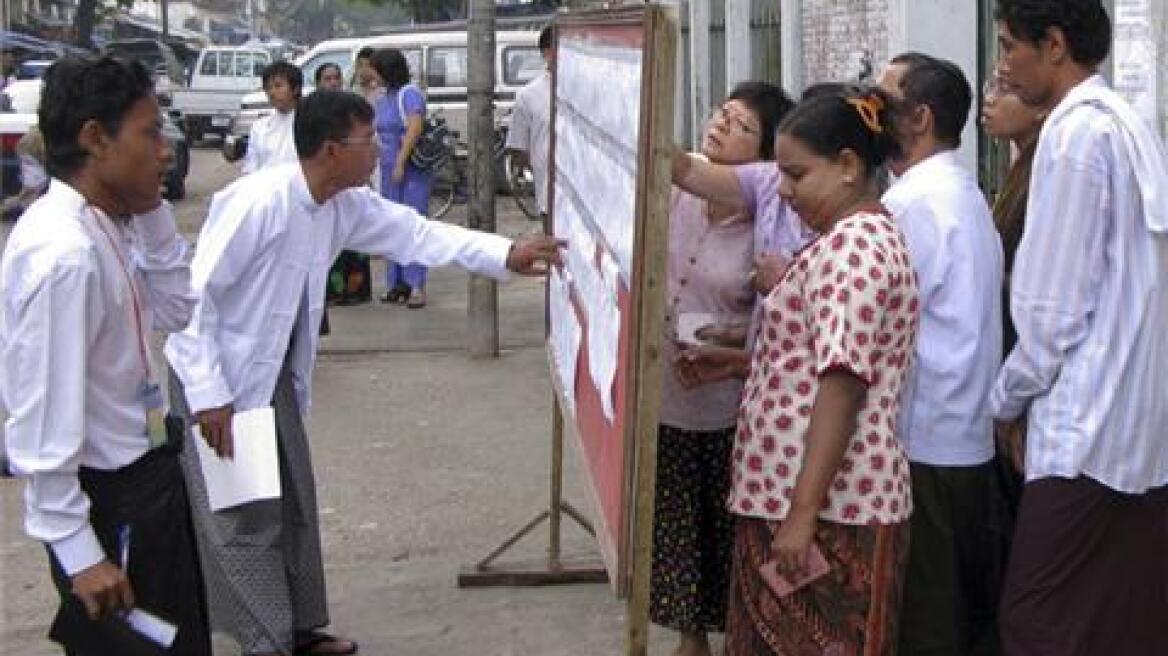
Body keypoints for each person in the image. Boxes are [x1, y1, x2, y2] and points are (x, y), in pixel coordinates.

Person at [164, 89, 563, 656]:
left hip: (269, 378)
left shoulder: (342, 203)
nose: (379, 148)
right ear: (330, 149)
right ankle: (266, 642)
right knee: (243, 520)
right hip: (220, 383)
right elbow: (191, 304)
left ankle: (299, 631)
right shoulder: (257, 202)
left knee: (293, 502)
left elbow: (416, 234)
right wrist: (207, 394)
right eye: (367, 139)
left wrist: (505, 254)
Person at [0, 56, 209, 655]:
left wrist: (154, 213)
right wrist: (78, 550)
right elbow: (39, 419)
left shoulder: (108, 224)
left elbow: (177, 311)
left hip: (146, 479)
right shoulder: (62, 255)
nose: (165, 151)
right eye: (149, 133)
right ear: (96, 139)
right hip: (106, 504)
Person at [992, 1, 1168, 653]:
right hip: (1138, 431)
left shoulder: (1073, 136)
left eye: (1011, 47)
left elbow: (1050, 311)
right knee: (1120, 623)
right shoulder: (1127, 124)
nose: (1004, 67)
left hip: (1086, 428)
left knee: (1037, 620)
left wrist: (1006, 402)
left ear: (1055, 45)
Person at [723, 89, 919, 655]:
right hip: (795, 499)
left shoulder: (856, 250)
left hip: (831, 510)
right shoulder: (840, 242)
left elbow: (843, 380)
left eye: (796, 175)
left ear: (850, 167)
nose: (783, 191)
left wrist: (802, 514)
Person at [652, 81, 794, 656]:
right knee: (676, 519)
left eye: (739, 125)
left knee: (726, 528)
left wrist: (730, 338)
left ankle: (736, 632)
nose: (720, 125)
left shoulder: (770, 224)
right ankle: (690, 640)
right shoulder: (678, 198)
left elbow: (773, 320)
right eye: (721, 113)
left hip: (728, 398)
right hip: (668, 388)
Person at [874, 52, 1005, 656]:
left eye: (883, 101)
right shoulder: (959, 192)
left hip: (928, 437)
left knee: (928, 614)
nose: (869, 113)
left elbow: (881, 325)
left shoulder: (916, 207)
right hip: (959, 433)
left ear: (919, 117)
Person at [369, 48, 433, 308]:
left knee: (413, 225)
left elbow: (414, 127)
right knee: (391, 225)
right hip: (387, 170)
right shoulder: (383, 98)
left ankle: (416, 284)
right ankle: (396, 283)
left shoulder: (410, 94)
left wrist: (400, 161)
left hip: (410, 171)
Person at [319, 62, 372, 308]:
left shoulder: (352, 108)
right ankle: (332, 291)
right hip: (327, 183)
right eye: (327, 78)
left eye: (336, 77)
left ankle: (356, 290)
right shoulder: (314, 113)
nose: (333, 82)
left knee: (353, 234)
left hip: (351, 181)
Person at [505, 25, 555, 221]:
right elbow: (518, 150)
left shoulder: (590, 91)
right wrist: (542, 165)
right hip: (549, 198)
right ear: (546, 52)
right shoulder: (528, 95)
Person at [242, 60, 303, 175]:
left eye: (278, 86)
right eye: (268, 88)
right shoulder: (260, 127)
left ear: (296, 89)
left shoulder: (311, 123)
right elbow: (251, 168)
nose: (272, 92)